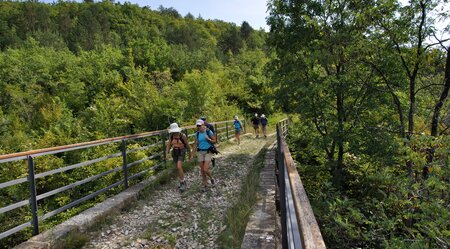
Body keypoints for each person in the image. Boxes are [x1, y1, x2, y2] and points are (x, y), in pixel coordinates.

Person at [165, 123, 191, 192]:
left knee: (179, 166)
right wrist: (167, 154)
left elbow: (187, 145)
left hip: (182, 151)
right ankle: (182, 181)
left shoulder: (182, 136)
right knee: (177, 167)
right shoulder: (171, 136)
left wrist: (190, 154)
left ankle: (183, 182)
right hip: (175, 152)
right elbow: (168, 145)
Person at [192, 119, 216, 192]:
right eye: (197, 125)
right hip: (200, 152)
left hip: (208, 151)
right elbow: (195, 144)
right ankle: (205, 185)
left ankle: (211, 178)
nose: (199, 127)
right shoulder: (197, 134)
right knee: (202, 170)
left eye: (200, 125)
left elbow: (214, 140)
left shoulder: (208, 131)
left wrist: (208, 139)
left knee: (205, 169)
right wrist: (192, 155)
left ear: (203, 125)